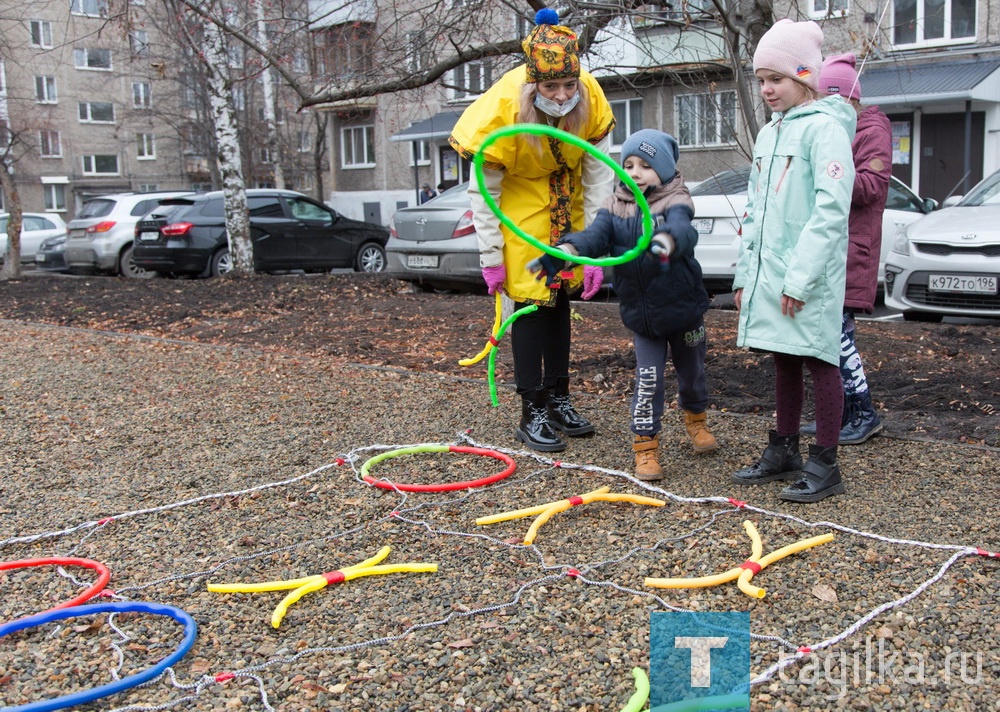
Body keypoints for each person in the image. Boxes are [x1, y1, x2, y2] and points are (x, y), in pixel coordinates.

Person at [448, 8, 616, 453]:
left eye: (568, 86)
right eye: (550, 86)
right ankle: (531, 408)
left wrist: (596, 244)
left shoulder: (590, 97)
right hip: (520, 209)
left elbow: (600, 174)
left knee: (560, 301)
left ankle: (559, 397)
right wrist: (491, 258)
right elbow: (484, 191)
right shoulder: (502, 110)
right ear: (532, 84)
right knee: (529, 305)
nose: (561, 95)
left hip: (571, 204)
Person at [533, 129, 716, 480]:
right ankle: (645, 447)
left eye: (645, 166)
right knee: (648, 380)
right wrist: (568, 250)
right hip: (642, 316)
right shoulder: (614, 205)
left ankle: (696, 420)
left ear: (662, 170)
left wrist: (667, 239)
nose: (634, 172)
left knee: (691, 374)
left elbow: (683, 228)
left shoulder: (675, 199)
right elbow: (596, 237)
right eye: (629, 164)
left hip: (684, 311)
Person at [729, 19, 857, 503]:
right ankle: (784, 449)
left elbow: (830, 211)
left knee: (820, 358)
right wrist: (746, 275)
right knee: (783, 356)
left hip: (809, 277)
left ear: (805, 76)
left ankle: (826, 463)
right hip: (772, 274)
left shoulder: (825, 130)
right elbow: (756, 212)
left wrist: (800, 278)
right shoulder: (769, 135)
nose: (765, 89)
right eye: (760, 79)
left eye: (775, 79)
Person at [799, 53, 891, 445]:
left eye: (825, 100)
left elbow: (872, 187)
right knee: (831, 333)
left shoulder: (870, 131)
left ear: (846, 99)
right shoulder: (835, 128)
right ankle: (841, 413)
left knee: (837, 335)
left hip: (852, 248)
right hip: (833, 245)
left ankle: (863, 411)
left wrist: (830, 172)